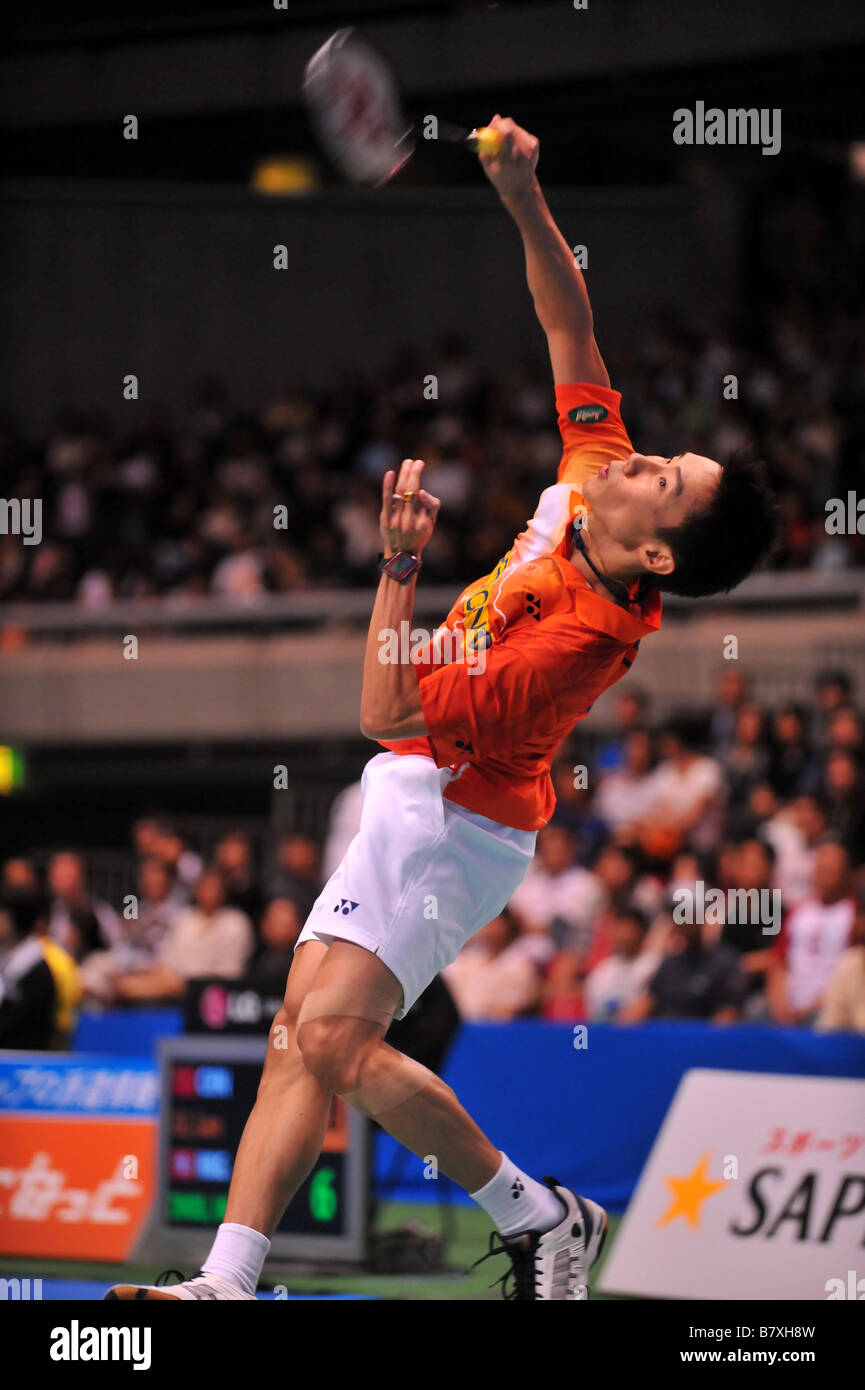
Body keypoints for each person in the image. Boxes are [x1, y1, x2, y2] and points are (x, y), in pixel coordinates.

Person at [107, 115, 778, 1303]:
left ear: (660, 555)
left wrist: (400, 567)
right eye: (660, 455)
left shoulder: (574, 641)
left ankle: (539, 1214)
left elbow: (379, 706)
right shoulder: (592, 480)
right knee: (295, 1038)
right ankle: (224, 1280)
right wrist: (523, 192)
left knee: (330, 1042)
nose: (640, 459)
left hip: (462, 820)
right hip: (415, 780)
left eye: (664, 478)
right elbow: (567, 319)